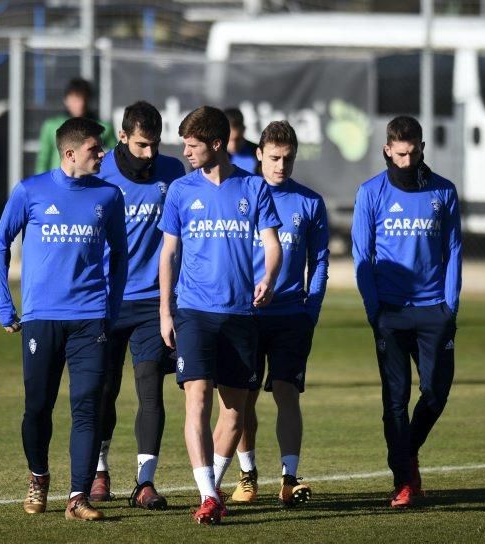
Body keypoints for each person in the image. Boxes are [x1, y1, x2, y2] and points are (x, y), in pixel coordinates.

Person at [0, 117, 128, 521]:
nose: (102, 154)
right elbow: (0, 243)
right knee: (38, 408)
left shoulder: (109, 196)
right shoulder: (30, 191)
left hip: (90, 319)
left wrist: (112, 309)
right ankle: (38, 476)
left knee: (88, 406)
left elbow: (120, 255)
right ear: (70, 154)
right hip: (40, 318)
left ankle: (78, 497)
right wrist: (4, 304)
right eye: (93, 149)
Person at [157, 105, 283, 525]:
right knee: (198, 398)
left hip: (241, 313)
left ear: (215, 144)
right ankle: (210, 495)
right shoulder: (179, 190)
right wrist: (165, 311)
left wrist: (268, 276)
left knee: (234, 412)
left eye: (192, 146)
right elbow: (169, 253)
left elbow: (272, 243)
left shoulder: (254, 188)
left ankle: (213, 488)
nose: (186, 152)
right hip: (193, 310)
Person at [351, 115, 462, 508]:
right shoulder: (371, 193)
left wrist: (450, 305)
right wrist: (374, 310)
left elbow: (453, 252)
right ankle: (403, 480)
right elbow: (362, 255)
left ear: (422, 149)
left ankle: (406, 451)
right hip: (391, 313)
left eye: (414, 153)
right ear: (387, 150)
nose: (407, 159)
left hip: (435, 311)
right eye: (400, 153)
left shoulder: (443, 192)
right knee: (394, 400)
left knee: (435, 394)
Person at [229, 121, 329, 507]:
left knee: (287, 392)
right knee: (244, 399)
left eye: (287, 159)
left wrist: (311, 310)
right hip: (247, 315)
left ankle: (289, 477)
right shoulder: (242, 196)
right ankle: (247, 474)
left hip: (291, 315)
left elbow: (319, 261)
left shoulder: (309, 202)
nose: (280, 165)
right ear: (259, 154)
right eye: (273, 157)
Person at [92, 101, 186, 509]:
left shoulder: (172, 172)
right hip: (105, 302)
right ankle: (98, 471)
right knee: (104, 390)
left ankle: (145, 483)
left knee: (151, 390)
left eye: (155, 145)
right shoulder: (99, 173)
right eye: (142, 145)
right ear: (123, 137)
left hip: (154, 302)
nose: (150, 155)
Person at [34, 78, 116, 174]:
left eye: (83, 98)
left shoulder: (104, 128)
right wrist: (43, 184)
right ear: (66, 100)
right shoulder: (51, 126)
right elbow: (43, 160)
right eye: (75, 99)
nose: (80, 104)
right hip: (58, 184)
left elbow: (114, 158)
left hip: (91, 183)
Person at [224, 108, 258, 174]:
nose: (233, 145)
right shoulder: (212, 157)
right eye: (228, 140)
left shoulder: (260, 153)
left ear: (243, 129)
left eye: (237, 139)